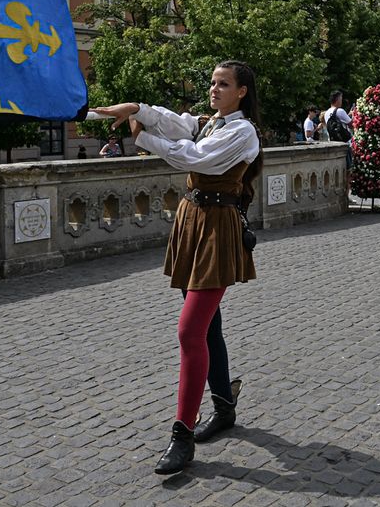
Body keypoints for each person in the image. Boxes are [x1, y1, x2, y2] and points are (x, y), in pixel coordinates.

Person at [91, 60, 262, 475]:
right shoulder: (213, 122)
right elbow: (180, 123)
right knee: (208, 327)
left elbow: (197, 158)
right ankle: (224, 408)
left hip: (217, 231)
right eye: (212, 83)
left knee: (190, 331)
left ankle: (181, 436)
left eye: (223, 84)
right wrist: (136, 108)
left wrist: (144, 137)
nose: (214, 89)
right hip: (193, 223)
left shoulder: (241, 132)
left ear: (242, 92)